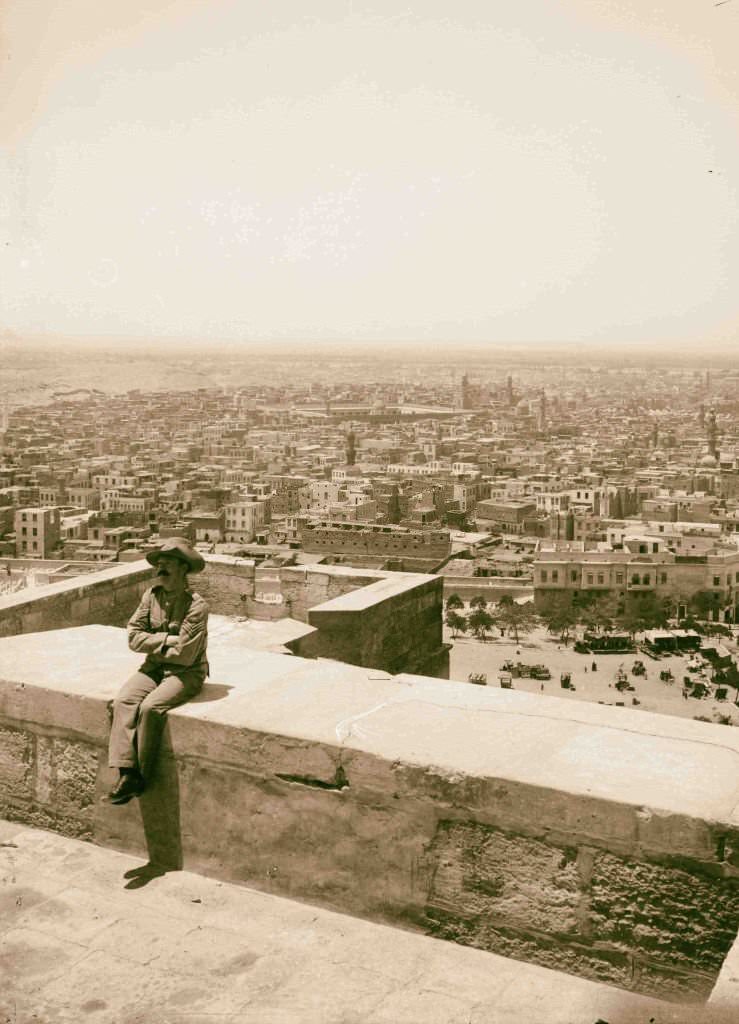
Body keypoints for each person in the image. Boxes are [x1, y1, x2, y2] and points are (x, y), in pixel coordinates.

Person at [107, 537, 209, 805]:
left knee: (151, 708)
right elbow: (132, 637)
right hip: (153, 668)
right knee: (124, 701)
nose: (161, 567)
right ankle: (127, 773)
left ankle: (142, 774)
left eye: (168, 562)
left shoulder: (197, 606)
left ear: (183, 568)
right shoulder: (150, 596)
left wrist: (155, 641)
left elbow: (184, 653)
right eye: (160, 562)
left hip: (186, 673)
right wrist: (167, 640)